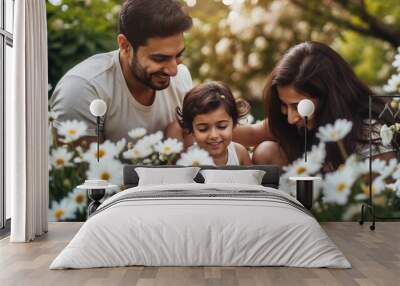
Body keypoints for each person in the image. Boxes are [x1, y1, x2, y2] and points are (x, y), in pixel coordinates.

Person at [233, 41, 397, 169]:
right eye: (284, 105)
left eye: (298, 106)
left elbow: (382, 202)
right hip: (303, 203)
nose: (290, 118)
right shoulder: (292, 124)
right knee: (266, 151)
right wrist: (210, 122)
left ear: (329, 98)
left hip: (341, 206)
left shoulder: (369, 133)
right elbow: (250, 133)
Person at [50, 0, 193, 143]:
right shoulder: (82, 90)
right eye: (160, 58)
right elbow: (82, 164)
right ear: (125, 46)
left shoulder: (181, 77)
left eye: (179, 55)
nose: (174, 71)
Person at [175, 82, 252, 166]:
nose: (213, 135)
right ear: (192, 130)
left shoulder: (239, 153)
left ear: (233, 123)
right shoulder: (187, 159)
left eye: (222, 126)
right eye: (203, 129)